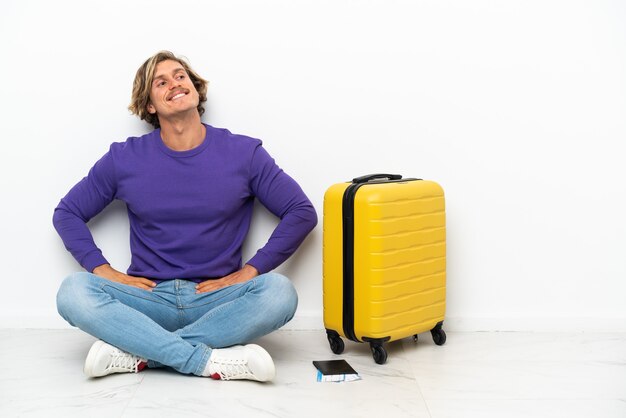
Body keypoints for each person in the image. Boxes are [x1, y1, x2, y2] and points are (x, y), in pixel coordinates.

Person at [53, 51, 317, 382]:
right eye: (161, 82)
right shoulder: (124, 158)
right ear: (149, 105)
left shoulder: (243, 153)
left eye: (180, 76)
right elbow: (67, 213)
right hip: (148, 299)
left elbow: (301, 212)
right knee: (72, 292)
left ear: (194, 88)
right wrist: (105, 271)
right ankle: (206, 360)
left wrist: (249, 271)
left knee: (280, 293)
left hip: (216, 298)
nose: (175, 84)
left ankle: (141, 354)